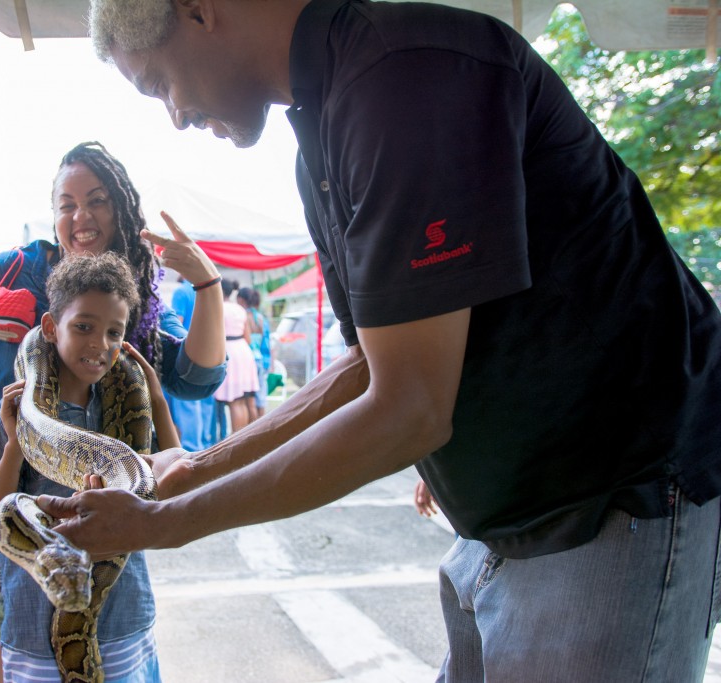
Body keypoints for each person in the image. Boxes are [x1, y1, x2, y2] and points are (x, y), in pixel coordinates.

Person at [35, 2, 721, 681]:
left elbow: (409, 408)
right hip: (501, 527)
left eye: (160, 84)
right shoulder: (328, 126)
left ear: (199, 10)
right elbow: (370, 363)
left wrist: (167, 522)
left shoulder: (403, 76)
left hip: (612, 501)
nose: (177, 115)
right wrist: (196, 467)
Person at [0, 141, 226, 682]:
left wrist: (207, 285)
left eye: (97, 200)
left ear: (123, 209)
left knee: (75, 617)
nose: (81, 216)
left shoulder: (129, 290)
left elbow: (194, 377)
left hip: (73, 484)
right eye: (67, 204)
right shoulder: (14, 270)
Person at [0, 252, 174, 682]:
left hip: (125, 616)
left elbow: (172, 482)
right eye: (83, 327)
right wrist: (16, 441)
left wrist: (156, 400)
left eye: (114, 332)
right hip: (31, 625)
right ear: (50, 328)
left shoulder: (124, 403)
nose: (100, 343)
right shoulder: (12, 414)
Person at [163, 276, 204, 450]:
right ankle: (200, 447)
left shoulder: (181, 292)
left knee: (185, 408)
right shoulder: (201, 291)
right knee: (198, 409)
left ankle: (190, 451)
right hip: (203, 354)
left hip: (184, 355)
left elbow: (175, 324)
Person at [213, 279, 259, 432]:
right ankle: (243, 437)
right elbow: (248, 338)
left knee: (235, 401)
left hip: (230, 352)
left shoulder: (218, 308)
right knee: (243, 400)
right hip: (244, 351)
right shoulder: (239, 309)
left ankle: (236, 438)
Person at [237, 287, 270, 421]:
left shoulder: (242, 317)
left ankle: (251, 429)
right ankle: (262, 428)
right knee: (260, 399)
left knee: (248, 401)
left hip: (247, 360)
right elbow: (266, 344)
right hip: (260, 360)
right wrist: (267, 363)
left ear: (241, 300)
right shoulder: (261, 319)